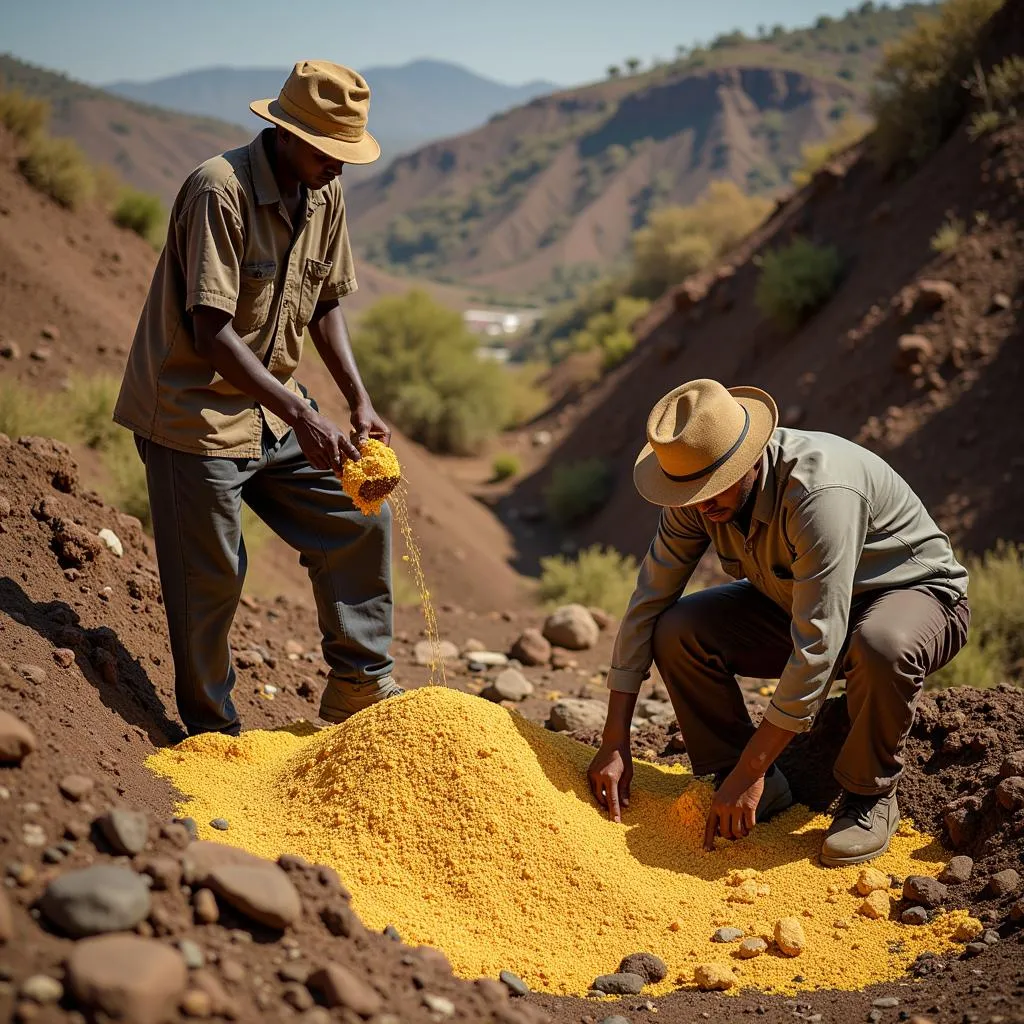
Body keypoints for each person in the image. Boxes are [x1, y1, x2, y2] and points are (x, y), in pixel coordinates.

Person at [114, 60, 402, 736]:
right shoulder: (219, 191)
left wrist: (356, 400)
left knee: (359, 518)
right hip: (193, 412)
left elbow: (325, 300)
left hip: (272, 407)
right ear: (287, 134)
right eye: (330, 151)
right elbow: (211, 333)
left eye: (346, 153)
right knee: (211, 577)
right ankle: (214, 732)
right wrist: (304, 414)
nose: (340, 165)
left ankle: (359, 685)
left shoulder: (324, 192)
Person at [588, 378, 970, 866]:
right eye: (690, 494)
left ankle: (868, 795)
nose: (703, 505)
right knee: (678, 629)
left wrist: (754, 767)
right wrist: (614, 737)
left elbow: (819, 643)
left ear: (748, 458)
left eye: (713, 488)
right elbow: (649, 600)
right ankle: (735, 777)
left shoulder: (819, 493)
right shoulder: (695, 497)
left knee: (880, 644)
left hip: (911, 596)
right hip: (799, 601)